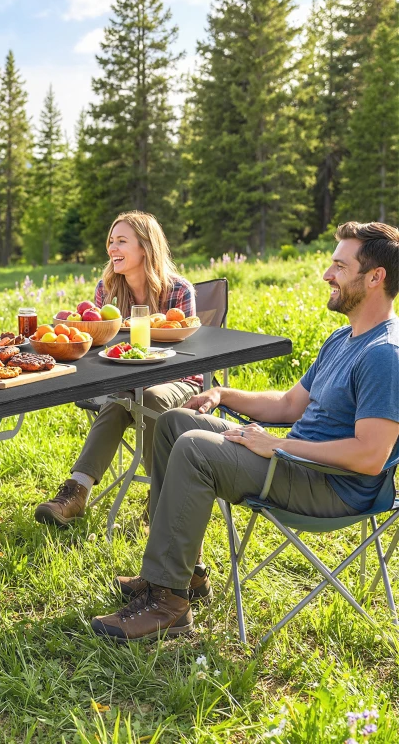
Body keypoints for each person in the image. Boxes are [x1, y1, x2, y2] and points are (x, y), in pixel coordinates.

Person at [90, 221, 399, 642]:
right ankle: (188, 574)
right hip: (294, 461)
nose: (327, 275)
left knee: (196, 448)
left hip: (331, 485)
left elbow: (370, 456)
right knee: (174, 422)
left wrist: (278, 446)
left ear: (375, 277)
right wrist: (222, 394)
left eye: (340, 267)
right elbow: (290, 404)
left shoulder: (384, 355)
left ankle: (169, 604)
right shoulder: (343, 339)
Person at [35, 211, 203, 526]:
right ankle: (75, 493)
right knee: (120, 400)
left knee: (148, 398)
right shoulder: (108, 291)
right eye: (111, 241)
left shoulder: (179, 291)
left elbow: (187, 353)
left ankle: (162, 499)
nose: (113, 248)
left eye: (122, 241)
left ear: (146, 247)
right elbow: (100, 349)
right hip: (127, 383)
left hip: (180, 382)